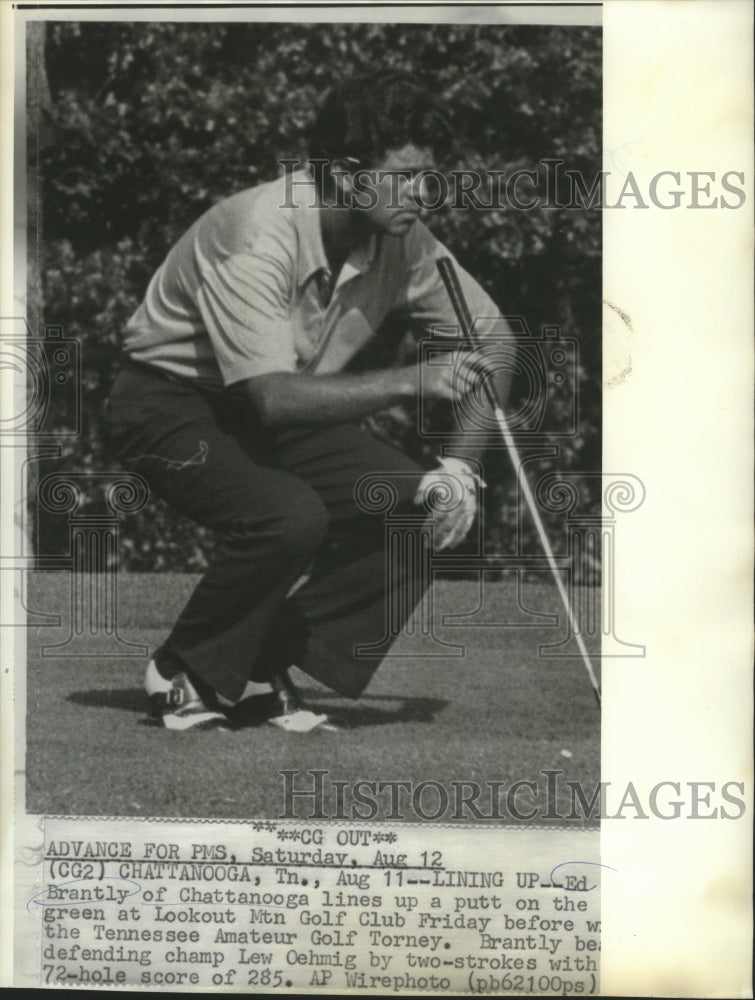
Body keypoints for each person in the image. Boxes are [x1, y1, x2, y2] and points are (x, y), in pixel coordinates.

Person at [106, 70, 515, 733]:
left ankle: (255, 658)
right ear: (348, 175)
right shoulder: (256, 232)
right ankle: (183, 668)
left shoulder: (402, 239)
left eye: (428, 178)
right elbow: (269, 400)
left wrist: (461, 471)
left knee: (422, 507)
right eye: (405, 176)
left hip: (272, 402)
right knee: (289, 516)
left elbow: (494, 342)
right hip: (165, 403)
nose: (423, 195)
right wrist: (411, 381)